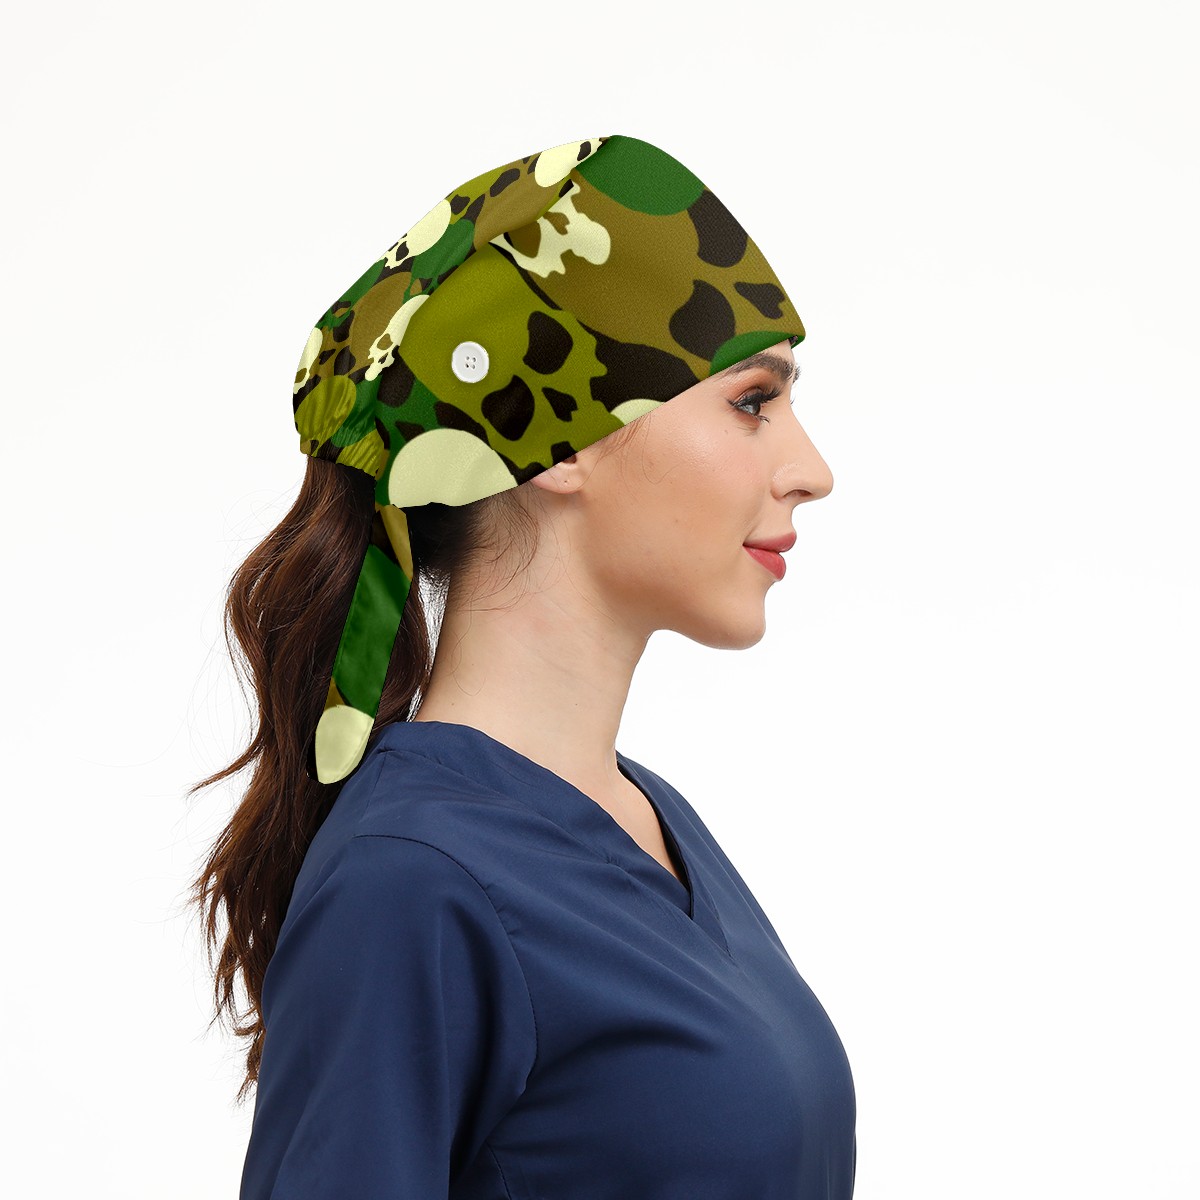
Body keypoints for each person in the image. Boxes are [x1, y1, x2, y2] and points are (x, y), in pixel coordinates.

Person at [189, 132, 857, 1198]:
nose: (810, 469)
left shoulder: (647, 819)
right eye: (751, 402)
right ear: (557, 441)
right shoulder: (412, 880)